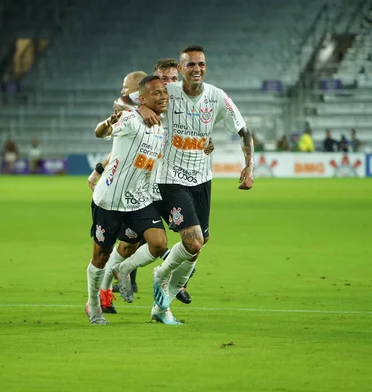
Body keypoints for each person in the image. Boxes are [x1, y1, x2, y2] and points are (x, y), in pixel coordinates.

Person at [137, 45, 254, 323]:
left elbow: (244, 131)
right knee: (193, 242)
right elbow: (125, 101)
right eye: (190, 65)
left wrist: (249, 166)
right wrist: (142, 107)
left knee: (201, 243)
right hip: (171, 178)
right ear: (180, 69)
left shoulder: (217, 97)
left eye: (201, 63)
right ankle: (161, 274)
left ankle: (161, 307)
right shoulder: (167, 93)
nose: (197, 69)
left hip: (203, 178)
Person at [84, 76, 169, 325]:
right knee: (100, 256)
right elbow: (102, 132)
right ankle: (94, 305)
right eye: (156, 93)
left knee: (158, 243)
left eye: (164, 92)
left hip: (138, 200)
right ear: (142, 98)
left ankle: (124, 268)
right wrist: (107, 123)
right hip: (109, 199)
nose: (163, 96)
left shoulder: (162, 124)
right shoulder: (132, 118)